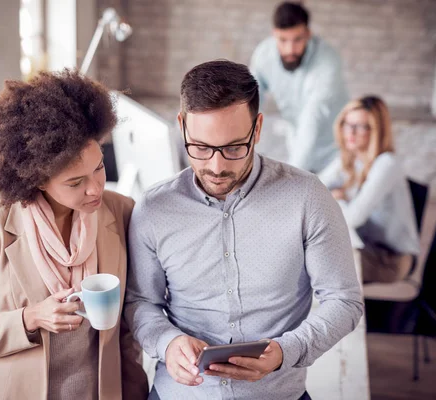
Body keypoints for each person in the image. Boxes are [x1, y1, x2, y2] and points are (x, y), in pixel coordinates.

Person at [124, 60, 363, 400]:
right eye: (201, 148)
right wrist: (167, 341)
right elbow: (140, 302)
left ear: (258, 127)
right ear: (181, 127)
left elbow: (344, 300)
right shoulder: (153, 209)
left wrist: (286, 350)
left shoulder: (307, 197)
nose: (217, 167)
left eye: (235, 147)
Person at [0, 70, 148, 400]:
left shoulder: (121, 211)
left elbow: (126, 325)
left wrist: (135, 390)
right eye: (75, 182)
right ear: (38, 179)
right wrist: (31, 317)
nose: (95, 188)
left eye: (98, 167)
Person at [319, 96, 420, 283]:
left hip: (390, 259)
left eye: (360, 126)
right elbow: (316, 186)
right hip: (363, 243)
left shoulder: (386, 164)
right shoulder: (352, 156)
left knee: (315, 265)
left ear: (377, 131)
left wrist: (336, 198)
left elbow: (352, 218)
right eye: (347, 124)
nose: (350, 132)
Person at [250, 1, 349, 173]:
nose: (290, 49)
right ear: (274, 34)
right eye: (283, 40)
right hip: (297, 142)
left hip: (335, 151)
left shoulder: (327, 61)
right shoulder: (263, 55)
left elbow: (313, 117)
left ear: (308, 34)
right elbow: (251, 100)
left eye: (297, 40)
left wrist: (292, 175)